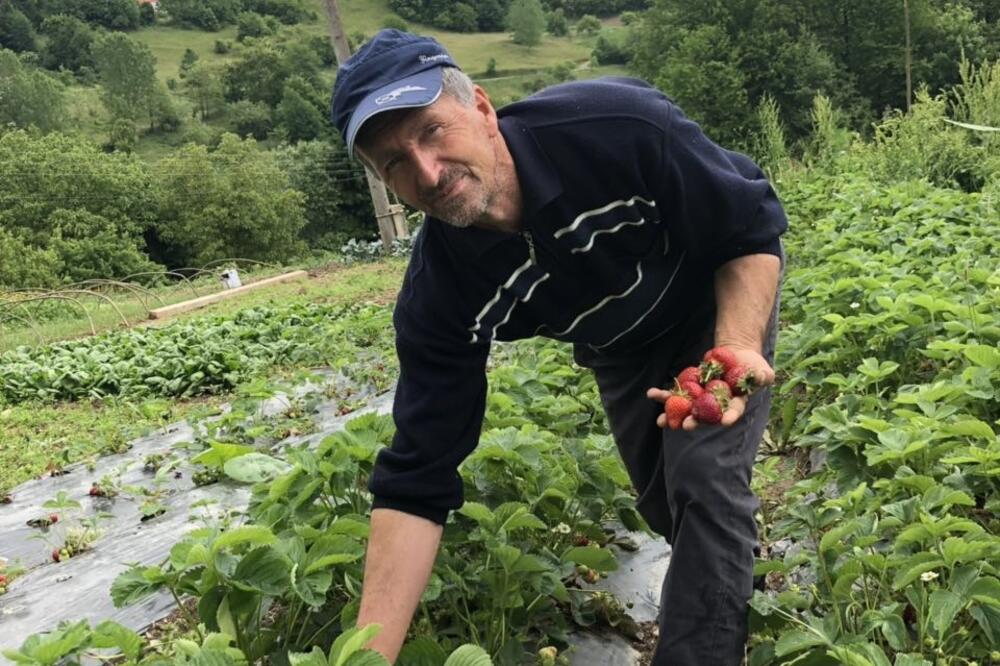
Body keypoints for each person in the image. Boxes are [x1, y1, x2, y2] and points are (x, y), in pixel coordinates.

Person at [329, 29, 787, 665]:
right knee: (668, 509)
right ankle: (742, 581)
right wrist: (364, 658)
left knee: (705, 481)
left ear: (483, 110)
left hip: (714, 300)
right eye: (394, 162)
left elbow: (748, 227)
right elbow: (417, 477)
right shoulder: (442, 294)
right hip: (619, 351)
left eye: (431, 131)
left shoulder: (616, 128)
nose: (427, 173)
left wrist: (735, 343)